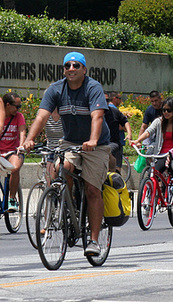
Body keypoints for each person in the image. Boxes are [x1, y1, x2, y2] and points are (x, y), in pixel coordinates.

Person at [23, 51, 111, 257]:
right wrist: (29, 139)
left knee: (92, 190)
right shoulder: (56, 89)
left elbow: (97, 117)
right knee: (61, 169)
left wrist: (93, 140)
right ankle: (66, 204)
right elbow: (41, 116)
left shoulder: (93, 87)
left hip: (95, 144)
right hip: (71, 142)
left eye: (76, 66)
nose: (71, 69)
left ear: (84, 70)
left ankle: (94, 241)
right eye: (67, 66)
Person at [131, 98, 173, 173]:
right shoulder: (158, 121)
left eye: (169, 110)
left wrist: (172, 153)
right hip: (160, 155)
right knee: (154, 173)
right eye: (164, 110)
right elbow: (148, 132)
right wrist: (138, 140)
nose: (166, 112)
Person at [0, 93, 26, 212]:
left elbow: (22, 132)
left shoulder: (18, 116)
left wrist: (21, 145)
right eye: (17, 106)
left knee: (15, 168)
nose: (18, 109)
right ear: (8, 105)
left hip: (12, 151)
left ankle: (12, 198)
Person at [105, 96, 132, 174]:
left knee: (107, 150)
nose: (105, 102)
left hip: (113, 142)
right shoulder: (94, 112)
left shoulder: (114, 111)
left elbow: (125, 122)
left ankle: (114, 174)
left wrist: (129, 134)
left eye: (107, 100)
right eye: (103, 100)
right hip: (99, 143)